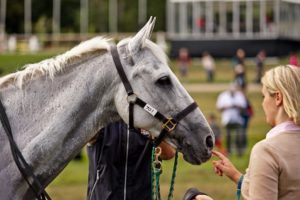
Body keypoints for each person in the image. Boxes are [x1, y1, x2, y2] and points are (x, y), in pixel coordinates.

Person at [184, 65, 300, 200]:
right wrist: (235, 175)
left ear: (278, 98)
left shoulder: (267, 151)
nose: (262, 103)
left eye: (264, 96)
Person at [87, 120, 176, 200]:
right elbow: (87, 135)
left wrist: (150, 133)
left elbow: (169, 153)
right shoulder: (103, 116)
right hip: (102, 196)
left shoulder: (148, 118)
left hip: (142, 195)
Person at [216, 82, 247, 156]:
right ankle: (228, 152)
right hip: (227, 120)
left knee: (239, 136)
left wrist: (237, 106)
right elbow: (219, 108)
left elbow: (244, 108)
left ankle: (239, 152)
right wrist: (226, 107)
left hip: (238, 119)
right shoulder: (223, 96)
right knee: (228, 136)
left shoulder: (240, 96)